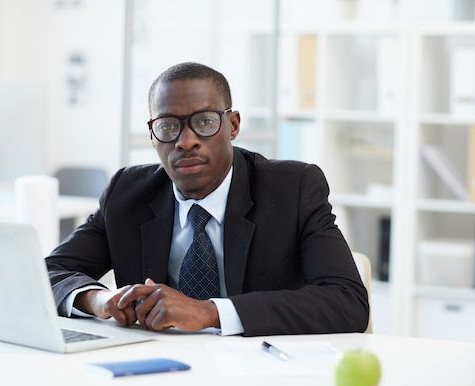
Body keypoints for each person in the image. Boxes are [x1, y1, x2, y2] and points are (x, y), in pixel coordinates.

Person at [46, 62, 369, 336]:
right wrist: (97, 300)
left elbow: (347, 302)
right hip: (153, 370)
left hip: (260, 370)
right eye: (168, 125)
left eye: (204, 122)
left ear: (233, 125)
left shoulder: (292, 188)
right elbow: (48, 273)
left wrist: (209, 312)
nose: (186, 142)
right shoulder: (127, 192)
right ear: (152, 133)